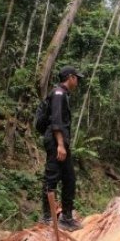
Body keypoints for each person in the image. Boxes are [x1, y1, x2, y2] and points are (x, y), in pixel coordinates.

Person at [40, 65, 84, 231]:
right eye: (76, 78)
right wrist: (60, 144)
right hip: (55, 141)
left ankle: (66, 217)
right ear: (70, 77)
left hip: (60, 142)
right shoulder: (58, 94)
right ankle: (47, 217)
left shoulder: (63, 94)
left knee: (69, 179)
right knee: (51, 177)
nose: (77, 81)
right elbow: (56, 121)